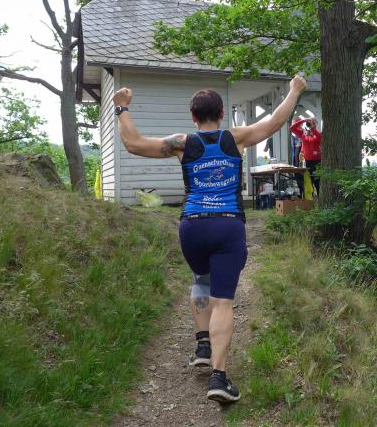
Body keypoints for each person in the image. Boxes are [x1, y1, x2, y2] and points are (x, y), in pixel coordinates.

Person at [113, 74, 307, 403]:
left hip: (193, 227)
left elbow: (133, 143)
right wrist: (294, 90)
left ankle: (203, 344)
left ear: (193, 117)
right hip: (228, 227)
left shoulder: (181, 143)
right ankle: (219, 377)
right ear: (221, 114)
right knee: (223, 301)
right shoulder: (236, 137)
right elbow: (276, 121)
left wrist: (122, 108)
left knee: (201, 279)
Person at [289, 116, 322, 196]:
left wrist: (313, 129)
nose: (310, 124)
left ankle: (319, 198)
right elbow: (292, 128)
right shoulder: (303, 133)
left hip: (316, 161)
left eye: (313, 122)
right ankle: (309, 199)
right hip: (306, 161)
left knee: (317, 181)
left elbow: (320, 138)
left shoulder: (318, 133)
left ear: (316, 124)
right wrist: (303, 120)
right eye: (310, 122)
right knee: (308, 181)